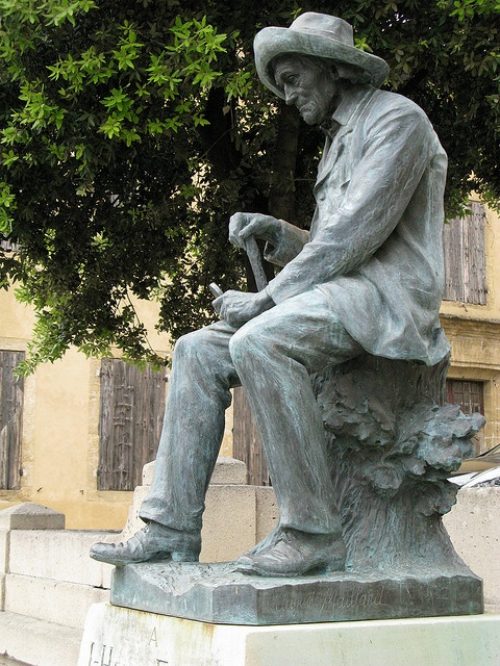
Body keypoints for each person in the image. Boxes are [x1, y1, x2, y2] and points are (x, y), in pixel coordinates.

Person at [90, 12, 450, 576]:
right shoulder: (338, 142)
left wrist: (266, 300)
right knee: (196, 350)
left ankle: (312, 533)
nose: (286, 95)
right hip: (345, 290)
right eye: (281, 82)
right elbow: (333, 242)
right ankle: (169, 529)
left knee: (261, 341)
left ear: (332, 69)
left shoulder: (397, 121)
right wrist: (280, 236)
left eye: (292, 78)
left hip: (388, 300)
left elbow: (356, 234)